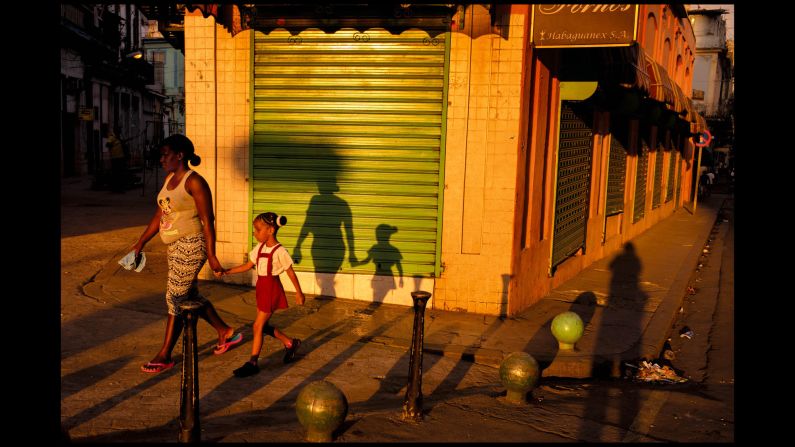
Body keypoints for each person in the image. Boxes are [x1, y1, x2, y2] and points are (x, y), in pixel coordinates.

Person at [132, 134, 243, 374]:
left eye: (165, 154)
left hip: (193, 244)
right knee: (187, 294)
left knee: (174, 298)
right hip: (175, 246)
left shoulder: (195, 182)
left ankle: (164, 355)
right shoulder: (170, 179)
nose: (161, 159)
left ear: (180, 155)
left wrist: (212, 254)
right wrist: (140, 242)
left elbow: (207, 220)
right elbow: (160, 215)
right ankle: (226, 332)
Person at [216, 212, 306, 377]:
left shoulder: (280, 251)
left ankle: (253, 362)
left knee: (257, 326)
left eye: (258, 230)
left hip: (272, 288)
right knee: (262, 325)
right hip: (262, 288)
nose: (255, 233)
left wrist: (299, 293)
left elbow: (290, 273)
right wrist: (226, 271)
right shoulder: (260, 247)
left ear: (271, 230)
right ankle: (290, 343)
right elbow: (248, 265)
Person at [106, 127, 128, 193]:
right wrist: (114, 143)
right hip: (115, 158)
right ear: (116, 131)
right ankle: (115, 188)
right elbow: (107, 144)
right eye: (119, 131)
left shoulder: (119, 137)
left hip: (120, 157)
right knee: (115, 174)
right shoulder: (112, 136)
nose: (120, 132)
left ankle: (120, 188)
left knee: (120, 174)